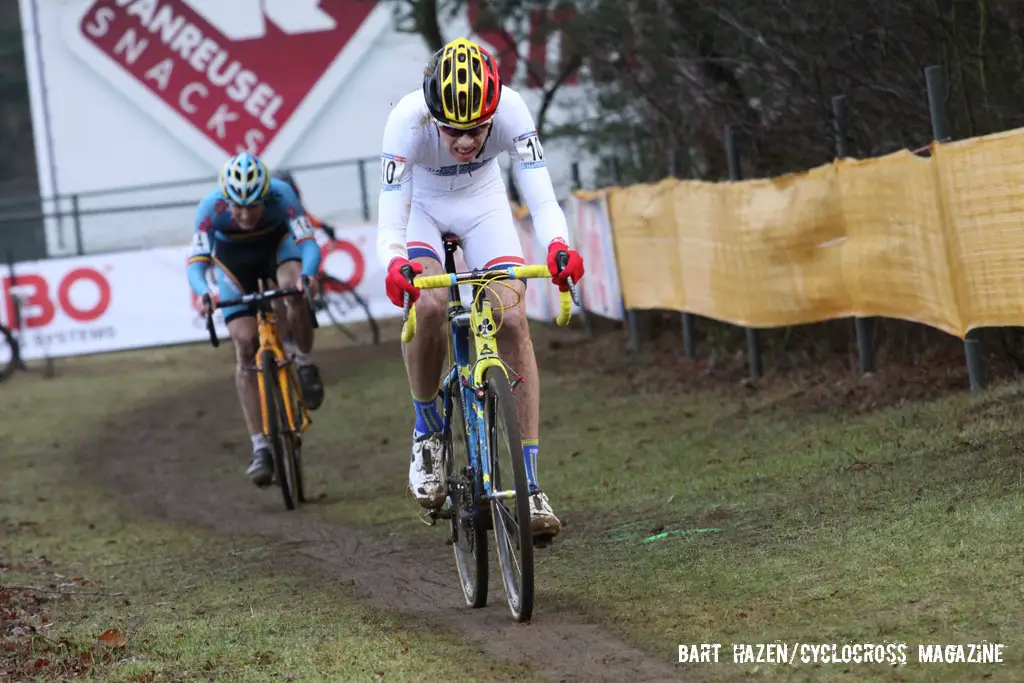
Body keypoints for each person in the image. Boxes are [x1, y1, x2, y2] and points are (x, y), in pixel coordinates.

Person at [376, 37, 586, 539]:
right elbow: (391, 225)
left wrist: (559, 246)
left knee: (512, 319)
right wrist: (395, 264)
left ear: (494, 110)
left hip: (484, 205)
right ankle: (428, 433)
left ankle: (530, 486)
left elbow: (541, 194)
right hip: (422, 211)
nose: (467, 142)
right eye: (453, 130)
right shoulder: (407, 120)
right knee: (428, 307)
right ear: (433, 116)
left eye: (477, 129)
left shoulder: (511, 107)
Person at [187, 152, 326, 487]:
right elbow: (197, 263)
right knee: (245, 344)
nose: (246, 214)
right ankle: (261, 447)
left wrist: (306, 276)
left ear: (266, 196)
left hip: (277, 249)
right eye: (238, 207)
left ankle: (304, 362)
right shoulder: (209, 209)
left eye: (254, 206)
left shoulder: (282, 195)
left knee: (293, 291)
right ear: (226, 199)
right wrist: (204, 293)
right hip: (234, 263)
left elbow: (308, 245)